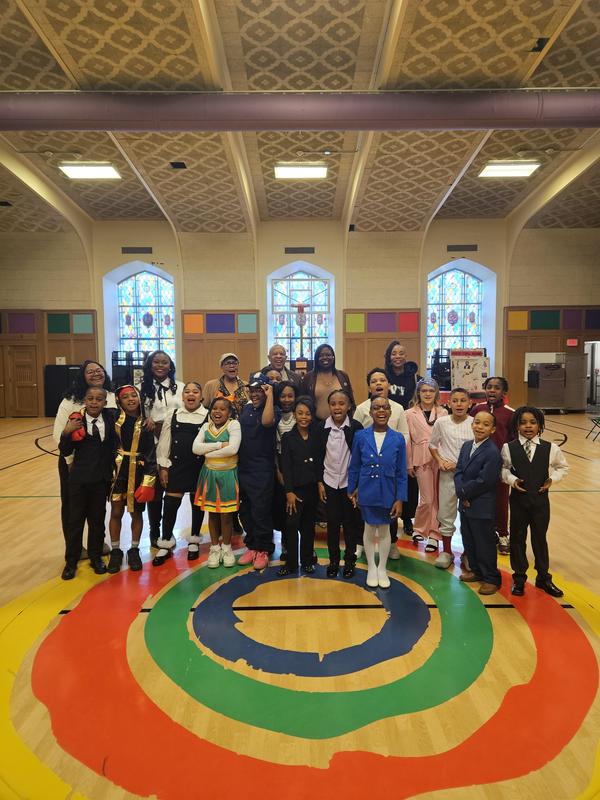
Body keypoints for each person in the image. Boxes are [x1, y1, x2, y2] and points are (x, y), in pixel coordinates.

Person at [501, 406, 568, 598]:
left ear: (540, 425)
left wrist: (552, 479)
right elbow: (503, 470)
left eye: (533, 422)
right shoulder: (508, 448)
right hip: (518, 502)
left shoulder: (550, 448)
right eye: (523, 422)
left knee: (540, 539)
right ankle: (519, 578)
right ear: (516, 426)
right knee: (517, 539)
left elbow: (563, 467)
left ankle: (543, 578)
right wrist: (512, 481)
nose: (528, 426)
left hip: (540, 503)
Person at [53, 360, 116, 557]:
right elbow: (59, 433)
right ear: (82, 376)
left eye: (99, 370)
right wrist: (71, 461)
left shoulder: (112, 397)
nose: (96, 374)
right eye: (90, 371)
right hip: (75, 463)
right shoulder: (70, 400)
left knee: (97, 507)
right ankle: (74, 548)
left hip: (101, 463)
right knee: (73, 508)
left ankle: (96, 544)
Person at [348, 396, 407, 589]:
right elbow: (354, 465)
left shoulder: (398, 438)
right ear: (370, 412)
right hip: (367, 490)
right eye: (376, 408)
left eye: (385, 407)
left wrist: (400, 498)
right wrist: (351, 489)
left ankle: (382, 567)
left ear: (391, 411)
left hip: (389, 492)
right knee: (368, 528)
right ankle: (371, 567)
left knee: (384, 530)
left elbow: (401, 471)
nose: (381, 411)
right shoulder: (360, 436)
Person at [353, 368, 409, 559]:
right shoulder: (361, 409)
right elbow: (356, 435)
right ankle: (360, 543)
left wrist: (392, 450)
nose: (378, 384)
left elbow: (405, 435)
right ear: (369, 386)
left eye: (382, 380)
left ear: (388, 384)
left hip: (390, 464)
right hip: (369, 468)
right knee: (365, 512)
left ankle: (392, 543)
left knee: (390, 511)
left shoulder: (398, 408)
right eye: (374, 381)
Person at [154, 381, 209, 566]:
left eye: (195, 391)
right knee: (170, 504)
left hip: (199, 467)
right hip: (176, 467)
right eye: (187, 391)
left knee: (197, 504)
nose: (191, 394)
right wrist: (163, 466)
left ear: (201, 396)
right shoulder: (173, 414)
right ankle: (166, 541)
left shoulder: (208, 415)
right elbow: (164, 441)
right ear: (183, 396)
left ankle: (194, 539)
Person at [138, 350, 185, 548]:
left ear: (170, 366)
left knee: (174, 488)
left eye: (164, 362)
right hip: (152, 444)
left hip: (177, 442)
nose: (160, 365)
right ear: (150, 365)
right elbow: (133, 414)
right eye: (156, 362)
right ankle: (154, 531)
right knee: (155, 490)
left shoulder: (180, 387)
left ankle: (168, 531)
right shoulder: (140, 389)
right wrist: (144, 419)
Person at [108, 385, 157, 573]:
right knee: (116, 511)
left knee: (136, 512)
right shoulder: (112, 419)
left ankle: (134, 549)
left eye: (133, 396)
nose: (130, 399)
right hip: (117, 472)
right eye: (125, 397)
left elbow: (150, 453)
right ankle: (115, 550)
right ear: (118, 401)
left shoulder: (146, 423)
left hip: (137, 472)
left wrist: (148, 481)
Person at [316, 389, 363, 578]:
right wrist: (320, 481)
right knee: (333, 525)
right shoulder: (320, 428)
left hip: (349, 485)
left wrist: (358, 485)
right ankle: (334, 561)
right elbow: (317, 456)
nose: (337, 407)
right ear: (329, 406)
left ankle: (350, 560)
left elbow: (360, 458)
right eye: (333, 403)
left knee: (350, 525)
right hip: (329, 483)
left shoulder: (356, 427)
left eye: (341, 403)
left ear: (349, 406)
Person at [454, 411, 502, 595]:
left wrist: (465, 493)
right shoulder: (466, 446)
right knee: (469, 539)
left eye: (486, 424)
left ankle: (491, 578)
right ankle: (476, 570)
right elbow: (458, 470)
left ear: (493, 429)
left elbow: (485, 481)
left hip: (481, 505)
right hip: (465, 503)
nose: (480, 427)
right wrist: (461, 492)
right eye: (477, 422)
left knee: (484, 543)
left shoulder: (492, 452)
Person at [428, 387, 474, 569]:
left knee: (469, 515)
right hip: (447, 475)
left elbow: (478, 451)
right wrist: (439, 460)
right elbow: (432, 445)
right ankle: (446, 551)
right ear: (449, 403)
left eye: (463, 400)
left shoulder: (474, 423)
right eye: (455, 400)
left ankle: (468, 553)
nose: (459, 404)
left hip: (469, 477)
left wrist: (459, 465)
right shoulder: (442, 422)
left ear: (470, 404)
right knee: (446, 514)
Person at [193, 397, 241, 567]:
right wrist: (221, 445)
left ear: (229, 413)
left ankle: (227, 548)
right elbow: (195, 448)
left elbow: (234, 448)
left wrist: (208, 452)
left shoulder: (234, 425)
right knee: (212, 514)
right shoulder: (206, 427)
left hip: (228, 474)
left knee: (227, 515)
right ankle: (215, 548)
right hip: (209, 475)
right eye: (214, 408)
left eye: (222, 409)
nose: (217, 412)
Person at [237, 376, 280, 569]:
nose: (255, 394)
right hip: (243, 466)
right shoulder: (246, 409)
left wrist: (270, 395)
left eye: (259, 390)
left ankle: (264, 549)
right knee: (245, 510)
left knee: (260, 510)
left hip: (262, 468)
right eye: (252, 390)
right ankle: (252, 545)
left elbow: (266, 422)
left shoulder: (272, 409)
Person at [470, 376, 514, 555]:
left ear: (504, 392)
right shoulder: (476, 410)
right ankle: (485, 534)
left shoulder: (510, 413)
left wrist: (508, 462)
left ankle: (503, 533)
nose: (492, 391)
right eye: (489, 387)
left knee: (501, 501)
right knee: (479, 499)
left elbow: (512, 439)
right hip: (478, 464)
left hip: (500, 465)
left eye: (497, 388)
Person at [278, 396, 320, 575]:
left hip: (311, 488)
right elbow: (285, 467)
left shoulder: (316, 435)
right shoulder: (288, 437)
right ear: (294, 415)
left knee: (309, 526)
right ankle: (291, 564)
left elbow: (319, 462)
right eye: (300, 413)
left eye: (307, 414)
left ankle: (308, 560)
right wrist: (288, 491)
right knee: (291, 526)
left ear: (312, 416)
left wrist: (319, 483)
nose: (304, 417)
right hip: (294, 491)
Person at [405, 378, 448, 554]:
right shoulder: (409, 414)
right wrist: (408, 463)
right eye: (424, 391)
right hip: (420, 456)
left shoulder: (443, 412)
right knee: (427, 498)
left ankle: (434, 535)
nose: (428, 394)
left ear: (436, 393)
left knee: (438, 497)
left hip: (440, 457)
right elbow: (407, 440)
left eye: (431, 391)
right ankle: (419, 529)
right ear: (418, 393)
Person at [384, 340, 420, 537]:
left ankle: (407, 517)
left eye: (401, 353)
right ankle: (389, 513)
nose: (397, 356)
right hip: (388, 426)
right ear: (389, 357)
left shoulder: (414, 377)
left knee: (408, 473)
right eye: (394, 353)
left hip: (408, 428)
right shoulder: (383, 377)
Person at [273, 381, 299, 548]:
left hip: (298, 464)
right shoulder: (274, 416)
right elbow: (273, 449)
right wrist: (278, 471)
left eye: (290, 396)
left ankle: (304, 546)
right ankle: (285, 544)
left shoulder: (301, 414)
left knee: (299, 508)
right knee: (283, 508)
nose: (287, 399)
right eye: (283, 396)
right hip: (281, 464)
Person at [300, 344, 354, 422]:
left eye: (328, 355)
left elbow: (351, 400)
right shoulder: (308, 377)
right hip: (317, 424)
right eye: (321, 355)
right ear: (317, 358)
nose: (325, 357)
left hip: (341, 424)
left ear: (333, 357)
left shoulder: (343, 376)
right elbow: (303, 401)